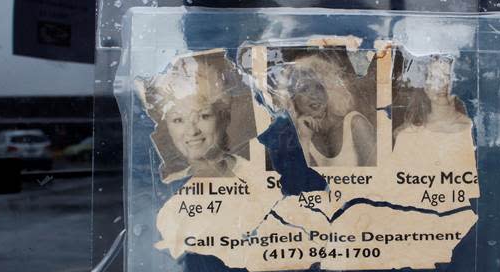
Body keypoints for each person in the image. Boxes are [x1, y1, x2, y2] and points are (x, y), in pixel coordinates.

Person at [136, 50, 251, 181]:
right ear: (167, 125)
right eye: (178, 120)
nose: (192, 131)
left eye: (204, 116)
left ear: (224, 117)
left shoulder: (255, 176)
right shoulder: (170, 185)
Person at [275, 53, 376, 167]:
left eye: (319, 87)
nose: (314, 95)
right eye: (304, 89)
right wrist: (304, 140)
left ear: (329, 91)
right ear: (292, 97)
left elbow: (379, 180)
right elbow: (298, 181)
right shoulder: (295, 136)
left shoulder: (355, 124)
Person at [393, 54, 471, 150]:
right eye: (434, 78)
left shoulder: (471, 130)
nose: (442, 85)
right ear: (425, 86)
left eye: (448, 76)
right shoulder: (406, 136)